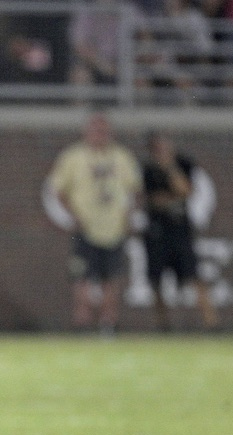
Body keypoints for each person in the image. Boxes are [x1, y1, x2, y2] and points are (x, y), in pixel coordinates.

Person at [48, 111, 141, 335]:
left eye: (104, 130)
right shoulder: (73, 157)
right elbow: (58, 190)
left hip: (113, 228)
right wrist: (75, 216)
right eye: (96, 130)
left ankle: (108, 325)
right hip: (85, 228)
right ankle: (82, 323)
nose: (100, 135)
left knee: (112, 279)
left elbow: (135, 190)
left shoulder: (121, 157)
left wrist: (127, 217)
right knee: (82, 278)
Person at [142, 131, 218, 331]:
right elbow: (153, 200)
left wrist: (169, 167)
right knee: (156, 279)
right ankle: (162, 324)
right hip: (157, 232)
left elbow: (185, 190)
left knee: (193, 274)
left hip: (180, 229)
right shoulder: (147, 169)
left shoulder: (183, 164)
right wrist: (171, 199)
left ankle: (211, 322)